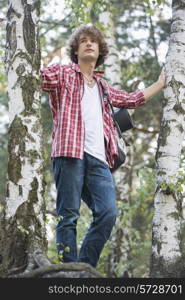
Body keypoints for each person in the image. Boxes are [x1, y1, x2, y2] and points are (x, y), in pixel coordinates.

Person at [40, 24, 165, 268]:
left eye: (93, 41)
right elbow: (37, 76)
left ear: (99, 51)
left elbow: (132, 99)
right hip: (69, 153)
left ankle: (84, 267)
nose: (88, 43)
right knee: (68, 215)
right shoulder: (63, 74)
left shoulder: (103, 86)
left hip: (99, 160)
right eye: (83, 41)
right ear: (76, 50)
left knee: (108, 212)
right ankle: (69, 270)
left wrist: (161, 83)